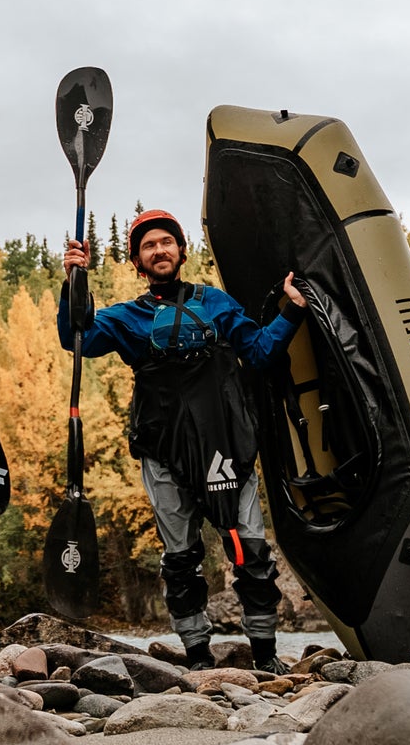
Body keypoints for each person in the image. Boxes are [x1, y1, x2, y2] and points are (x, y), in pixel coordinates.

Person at [59, 209, 307, 673]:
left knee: (250, 550)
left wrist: (291, 308)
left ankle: (266, 656)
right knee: (181, 558)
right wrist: (75, 281)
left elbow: (259, 352)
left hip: (227, 446)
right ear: (137, 261)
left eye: (166, 242)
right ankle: (197, 658)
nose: (159, 250)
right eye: (149, 246)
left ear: (181, 251)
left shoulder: (215, 303)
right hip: (163, 450)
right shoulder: (128, 317)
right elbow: (79, 339)